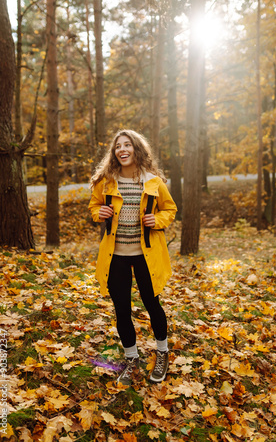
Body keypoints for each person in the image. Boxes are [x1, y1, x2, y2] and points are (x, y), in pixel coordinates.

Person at [88, 129, 177, 386]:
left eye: (128, 145)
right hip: (116, 256)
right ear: (114, 153)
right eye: (118, 146)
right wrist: (100, 213)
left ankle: (162, 352)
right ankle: (131, 359)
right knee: (122, 310)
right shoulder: (106, 182)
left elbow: (170, 209)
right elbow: (94, 207)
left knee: (152, 304)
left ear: (137, 149)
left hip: (146, 257)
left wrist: (157, 219)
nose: (122, 150)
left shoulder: (153, 182)